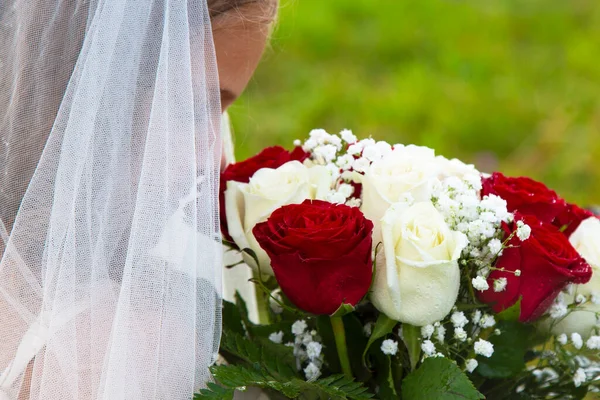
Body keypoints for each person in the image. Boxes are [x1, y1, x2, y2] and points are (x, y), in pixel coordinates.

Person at [0, 0, 276, 398]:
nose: (219, 159)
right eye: (195, 108)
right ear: (99, 82)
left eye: (224, 111)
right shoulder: (128, 349)